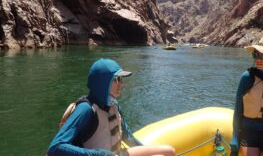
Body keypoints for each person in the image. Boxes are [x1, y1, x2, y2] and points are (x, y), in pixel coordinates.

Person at [47, 58, 175, 156]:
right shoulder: (86, 109)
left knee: (169, 150)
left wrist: (145, 151)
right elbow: (55, 147)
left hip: (117, 153)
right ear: (103, 82)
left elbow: (127, 136)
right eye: (116, 79)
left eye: (121, 79)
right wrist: (100, 154)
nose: (121, 83)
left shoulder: (113, 104)